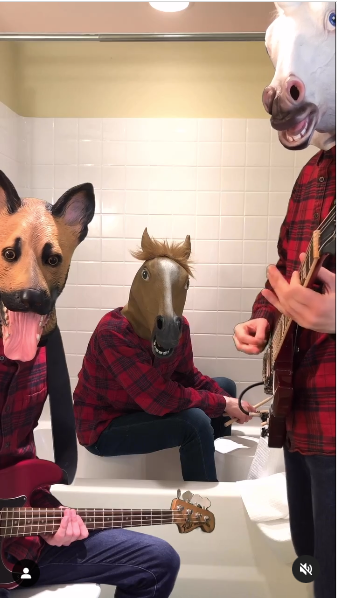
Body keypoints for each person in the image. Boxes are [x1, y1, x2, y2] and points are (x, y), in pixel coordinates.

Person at [0, 176, 180, 598]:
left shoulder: (46, 352)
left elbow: (20, 463)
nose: (31, 286)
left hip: (20, 536)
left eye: (50, 261)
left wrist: (50, 519)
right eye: (10, 255)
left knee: (157, 563)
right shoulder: (114, 331)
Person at [234, 4, 336, 596]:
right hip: (298, 416)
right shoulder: (310, 176)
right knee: (309, 560)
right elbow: (284, 269)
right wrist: (260, 318)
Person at [74, 230, 255, 483]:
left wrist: (229, 401)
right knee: (196, 422)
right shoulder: (113, 334)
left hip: (139, 406)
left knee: (225, 386)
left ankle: (210, 462)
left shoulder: (180, 328)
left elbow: (188, 376)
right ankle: (206, 502)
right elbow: (156, 398)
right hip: (105, 426)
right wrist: (223, 404)